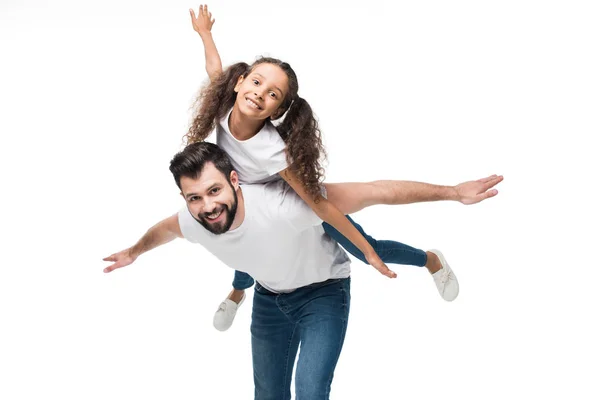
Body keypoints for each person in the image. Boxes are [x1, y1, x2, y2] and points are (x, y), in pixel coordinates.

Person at [188, 5, 503, 331]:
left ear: (276, 111)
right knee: (242, 238)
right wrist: (206, 34)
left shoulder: (272, 152)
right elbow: (214, 68)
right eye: (255, 82)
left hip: (290, 207)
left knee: (370, 245)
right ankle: (238, 292)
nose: (258, 93)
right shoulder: (226, 102)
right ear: (239, 83)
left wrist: (369, 250)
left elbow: (322, 204)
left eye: (272, 94)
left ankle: (431, 260)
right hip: (251, 208)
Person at [103, 142, 502, 399]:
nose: (207, 205)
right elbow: (164, 229)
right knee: (268, 394)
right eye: (194, 197)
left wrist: (452, 192)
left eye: (214, 191)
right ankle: (236, 293)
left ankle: (431, 260)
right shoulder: (193, 219)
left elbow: (376, 191)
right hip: (270, 295)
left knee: (310, 390)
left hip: (322, 292)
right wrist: (135, 251)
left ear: (235, 180)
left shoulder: (287, 205)